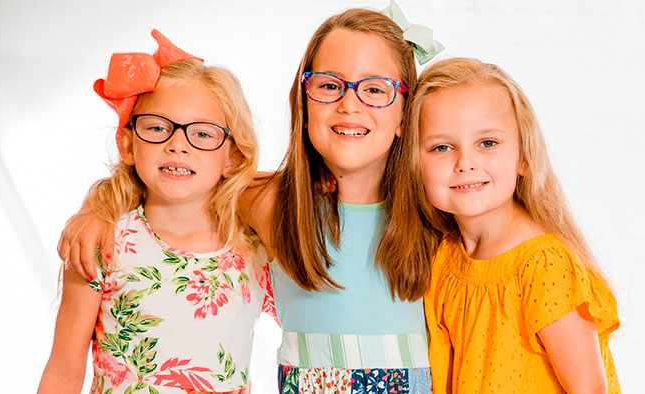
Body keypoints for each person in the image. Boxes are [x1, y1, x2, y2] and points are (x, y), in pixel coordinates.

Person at [57, 4, 444, 393]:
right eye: (329, 85)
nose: (350, 103)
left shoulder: (431, 208)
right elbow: (179, 182)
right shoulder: (272, 203)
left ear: (404, 113)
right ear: (303, 103)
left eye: (375, 89)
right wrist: (97, 210)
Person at [38, 30, 273, 394]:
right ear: (128, 144)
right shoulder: (101, 242)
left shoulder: (256, 250)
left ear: (234, 156)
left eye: (203, 134)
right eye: (158, 128)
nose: (177, 145)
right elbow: (63, 374)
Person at [409, 57, 621, 393]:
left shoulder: (544, 266)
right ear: (414, 164)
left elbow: (590, 389)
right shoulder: (446, 256)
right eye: (442, 147)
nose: (465, 163)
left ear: (523, 157)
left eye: (487, 143)